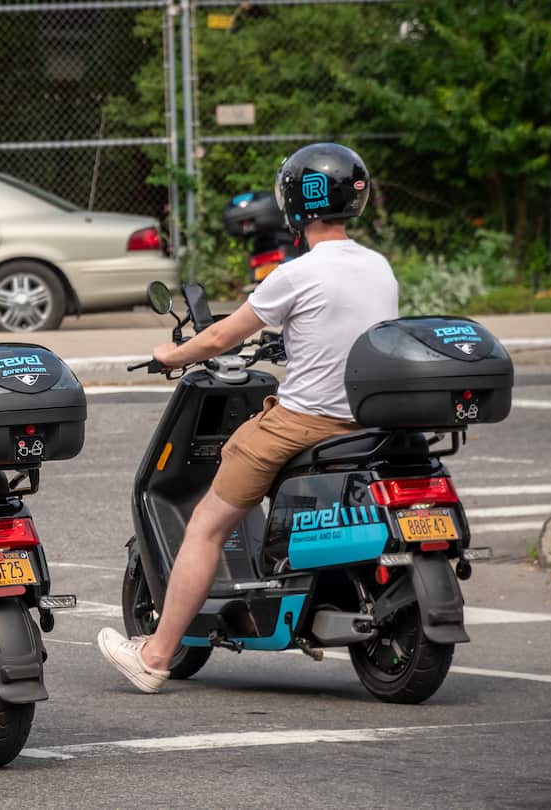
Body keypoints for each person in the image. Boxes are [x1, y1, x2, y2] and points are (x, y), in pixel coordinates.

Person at [97, 142, 400, 693]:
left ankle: (156, 656)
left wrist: (169, 355)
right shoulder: (379, 267)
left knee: (206, 525)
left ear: (294, 203)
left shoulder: (294, 273)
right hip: (366, 423)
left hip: (305, 422)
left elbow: (219, 336)